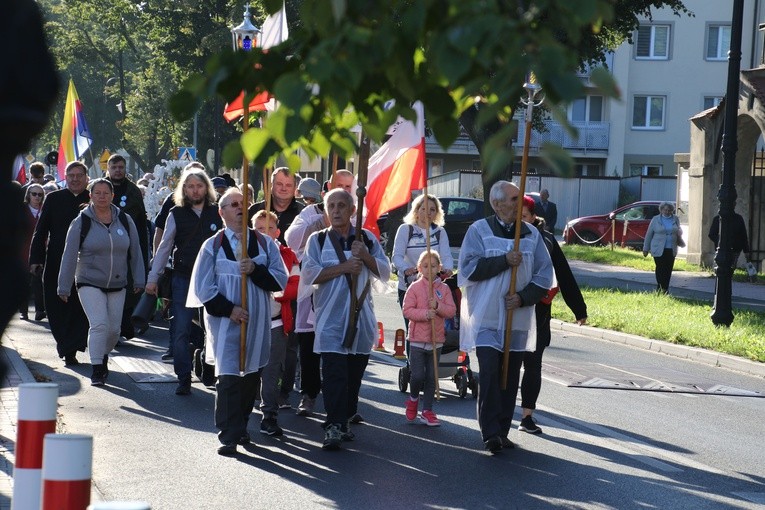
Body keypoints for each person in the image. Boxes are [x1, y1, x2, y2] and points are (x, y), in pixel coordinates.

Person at [186, 189, 287, 456]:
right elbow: (203, 288)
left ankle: (242, 426)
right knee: (229, 376)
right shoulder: (213, 245)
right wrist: (229, 309)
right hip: (225, 322)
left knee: (250, 376)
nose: (240, 208)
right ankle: (228, 435)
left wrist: (255, 270)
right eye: (233, 204)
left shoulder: (264, 244)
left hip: (256, 322)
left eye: (243, 204)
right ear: (222, 212)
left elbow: (280, 280)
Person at [458, 180, 553, 453]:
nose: (518, 204)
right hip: (487, 315)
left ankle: (502, 429)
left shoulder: (532, 234)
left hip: (517, 315)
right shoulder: (479, 231)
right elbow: (467, 268)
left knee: (510, 375)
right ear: (497, 204)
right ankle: (489, 432)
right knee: (489, 372)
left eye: (519, 199)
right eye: (513, 199)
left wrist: (523, 297)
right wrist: (503, 261)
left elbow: (544, 274)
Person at [298, 189, 390, 450]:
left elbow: (385, 273)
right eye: (331, 206)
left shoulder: (367, 239)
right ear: (326, 211)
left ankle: (346, 417)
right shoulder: (317, 240)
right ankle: (334, 425)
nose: (336, 211)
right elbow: (309, 275)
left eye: (342, 206)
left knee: (353, 375)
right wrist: (344, 267)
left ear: (352, 210)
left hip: (361, 320)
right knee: (334, 374)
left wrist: (366, 257)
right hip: (330, 319)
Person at [57, 179, 145, 385]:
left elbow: (136, 251)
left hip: (118, 282)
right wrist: (64, 285)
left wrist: (139, 278)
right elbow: (69, 254)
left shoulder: (125, 220)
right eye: (98, 193)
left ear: (113, 196)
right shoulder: (81, 222)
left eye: (106, 193)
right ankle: (97, 368)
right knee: (99, 324)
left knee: (114, 330)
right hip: (89, 281)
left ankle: (101, 353)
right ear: (91, 196)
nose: (102, 196)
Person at [145, 167, 222, 395]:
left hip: (213, 279)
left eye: (199, 185)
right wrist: (153, 278)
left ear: (206, 188)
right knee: (181, 330)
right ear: (184, 190)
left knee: (215, 328)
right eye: (190, 186)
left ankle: (213, 372)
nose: (195, 190)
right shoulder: (176, 214)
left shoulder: (218, 212)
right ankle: (183, 376)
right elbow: (164, 248)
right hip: (183, 278)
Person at [284, 170, 355, 417]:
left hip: (344, 294)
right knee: (309, 343)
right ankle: (309, 393)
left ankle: (347, 401)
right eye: (339, 186)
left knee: (345, 346)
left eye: (348, 186)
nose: (344, 190)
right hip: (312, 290)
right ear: (326, 189)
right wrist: (317, 224)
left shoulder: (355, 215)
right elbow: (291, 240)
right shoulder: (310, 212)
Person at [518, 196, 587, 434]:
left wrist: (579, 308)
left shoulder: (546, 240)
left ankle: (527, 416)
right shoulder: (506, 237)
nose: (519, 222)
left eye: (524, 217)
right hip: (508, 311)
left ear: (533, 217)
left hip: (538, 312)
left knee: (532, 364)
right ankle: (501, 413)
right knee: (507, 365)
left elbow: (564, 274)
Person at [29, 161, 91, 366]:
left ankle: (72, 346)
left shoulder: (95, 198)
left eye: (78, 175)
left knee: (79, 307)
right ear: (66, 177)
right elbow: (41, 230)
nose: (74, 179)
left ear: (86, 177)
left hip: (87, 262)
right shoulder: (54, 198)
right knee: (56, 305)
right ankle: (65, 345)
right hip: (56, 259)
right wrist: (36, 259)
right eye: (70, 175)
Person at [251, 209, 299, 436]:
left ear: (278, 231)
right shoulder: (244, 254)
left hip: (276, 322)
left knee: (271, 372)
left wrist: (274, 290)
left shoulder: (288, 255)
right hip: (249, 323)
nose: (266, 233)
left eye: (270, 228)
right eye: (260, 229)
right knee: (250, 370)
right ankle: (242, 415)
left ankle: (269, 415)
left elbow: (295, 285)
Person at [402, 251, 456, 427]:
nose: (430, 269)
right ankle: (413, 398)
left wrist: (438, 307)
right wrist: (425, 313)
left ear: (439, 268)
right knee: (418, 375)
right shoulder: (415, 288)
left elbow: (451, 311)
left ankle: (427, 410)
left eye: (433, 266)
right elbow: (407, 310)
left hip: (436, 339)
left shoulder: (444, 289)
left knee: (432, 376)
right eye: (426, 266)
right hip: (418, 338)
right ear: (419, 268)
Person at [392, 194, 454, 333]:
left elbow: (446, 256)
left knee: (433, 329)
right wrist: (405, 269)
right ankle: (413, 355)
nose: (428, 213)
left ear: (436, 213)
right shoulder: (406, 230)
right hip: (410, 286)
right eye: (424, 209)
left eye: (432, 210)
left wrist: (448, 269)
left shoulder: (440, 232)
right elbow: (396, 257)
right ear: (416, 211)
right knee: (414, 328)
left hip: (434, 287)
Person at [105, 154, 149, 340]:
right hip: (103, 249)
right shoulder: (100, 187)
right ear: (108, 169)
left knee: (128, 288)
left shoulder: (133, 190)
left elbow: (140, 221)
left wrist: (141, 251)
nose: (118, 171)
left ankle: (125, 325)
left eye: (121, 167)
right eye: (114, 167)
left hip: (128, 247)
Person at [247, 167, 304, 244]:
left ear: (295, 188)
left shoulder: (303, 213)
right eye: (279, 184)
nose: (284, 188)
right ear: (271, 185)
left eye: (288, 185)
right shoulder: (254, 211)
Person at [643, 201, 682, 294]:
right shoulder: (656, 219)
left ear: (672, 211)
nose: (667, 212)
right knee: (660, 268)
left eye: (669, 210)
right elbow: (649, 234)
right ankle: (660, 287)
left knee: (668, 269)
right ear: (661, 210)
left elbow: (678, 229)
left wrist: (680, 232)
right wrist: (646, 248)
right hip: (658, 248)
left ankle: (665, 289)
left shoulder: (675, 219)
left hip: (671, 248)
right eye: (665, 210)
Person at [20, 183, 46, 320]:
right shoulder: (21, 210)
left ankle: (40, 310)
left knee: (38, 281)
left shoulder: (45, 210)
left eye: (40, 194)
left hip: (40, 250)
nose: (37, 197)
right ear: (28, 195)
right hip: (22, 250)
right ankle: (23, 311)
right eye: (34, 194)